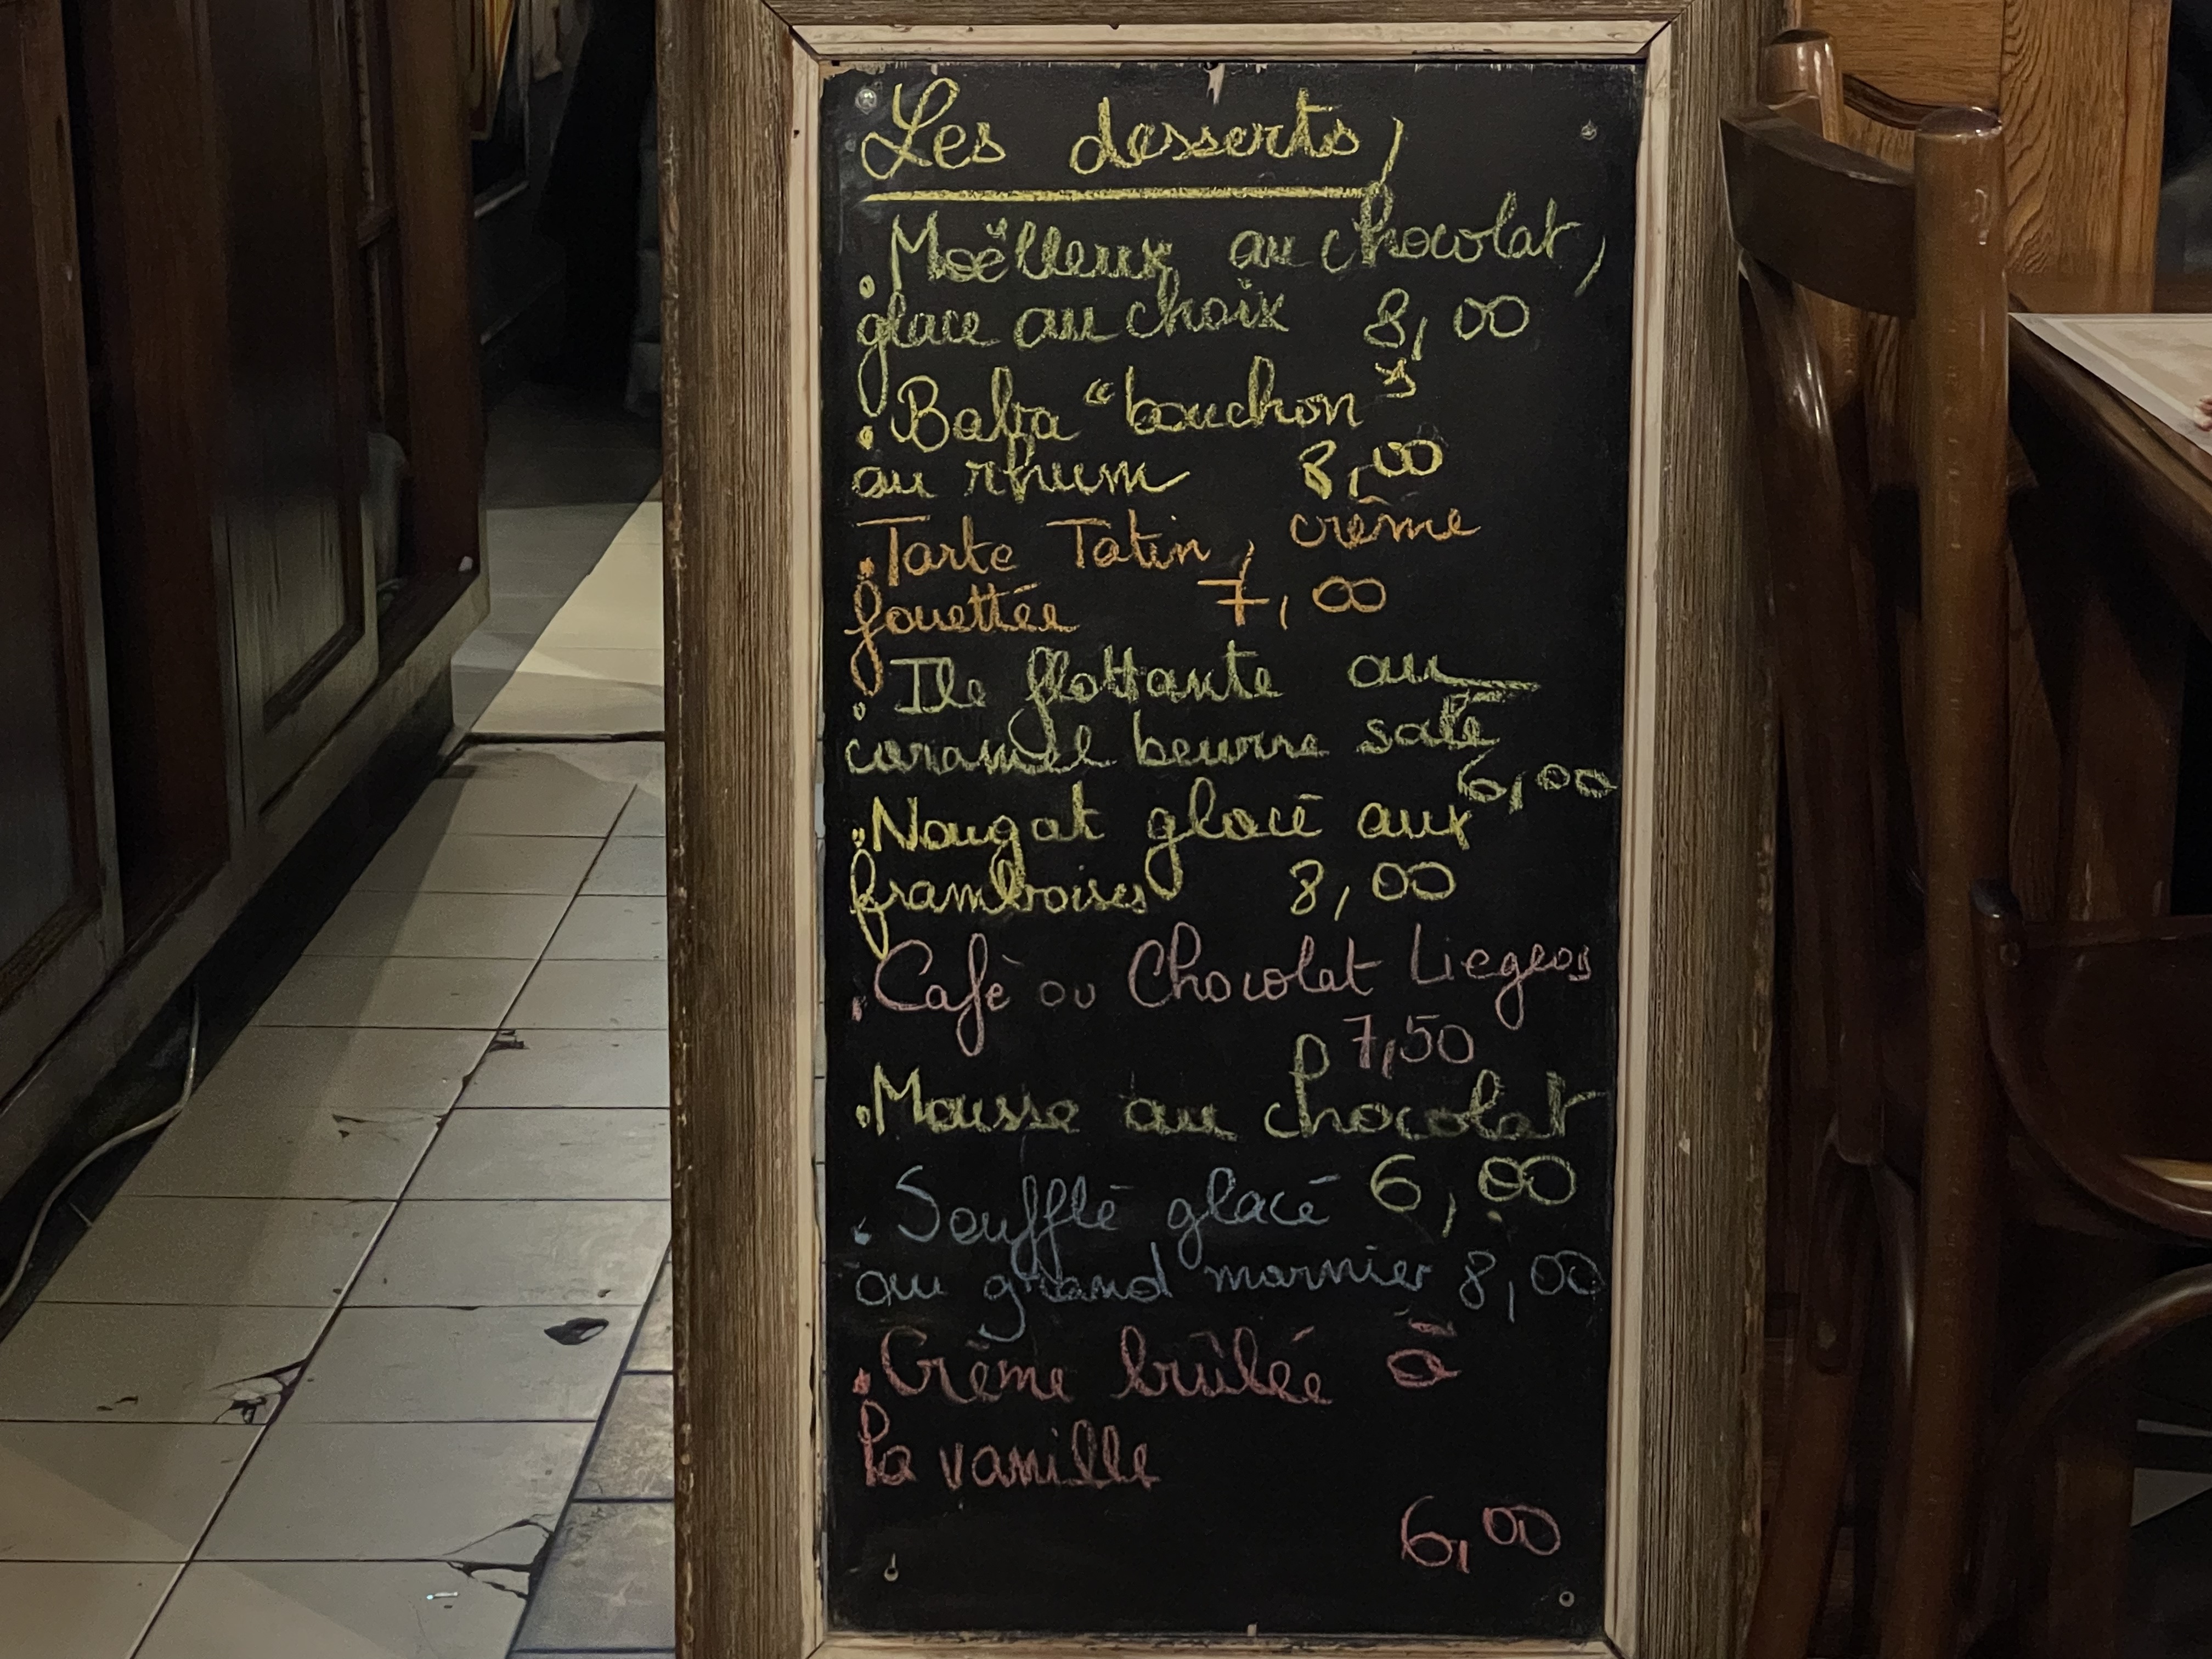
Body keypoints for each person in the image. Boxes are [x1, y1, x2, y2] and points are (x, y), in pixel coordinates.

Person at [535, 0, 657, 397]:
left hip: (625, 62)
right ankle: (594, 355)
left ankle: (593, 357)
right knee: (604, 209)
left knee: (602, 208)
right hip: (622, 60)